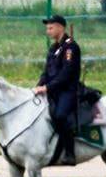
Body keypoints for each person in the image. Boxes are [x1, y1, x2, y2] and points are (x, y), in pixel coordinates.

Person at [34, 14, 81, 166]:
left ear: (60, 27)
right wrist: (38, 86)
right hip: (53, 90)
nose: (48, 31)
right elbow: (46, 72)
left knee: (60, 115)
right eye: (47, 28)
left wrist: (47, 88)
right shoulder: (54, 48)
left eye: (51, 27)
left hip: (67, 90)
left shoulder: (70, 47)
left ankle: (69, 153)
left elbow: (66, 75)